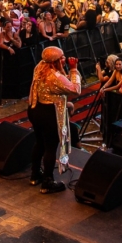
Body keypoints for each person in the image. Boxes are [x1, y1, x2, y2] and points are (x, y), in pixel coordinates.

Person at [27, 47, 82, 193]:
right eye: (62, 58)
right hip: (49, 115)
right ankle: (47, 181)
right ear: (54, 61)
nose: (64, 59)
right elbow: (75, 89)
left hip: (35, 109)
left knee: (39, 143)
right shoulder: (54, 77)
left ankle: (35, 175)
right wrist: (74, 70)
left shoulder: (40, 66)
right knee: (50, 148)